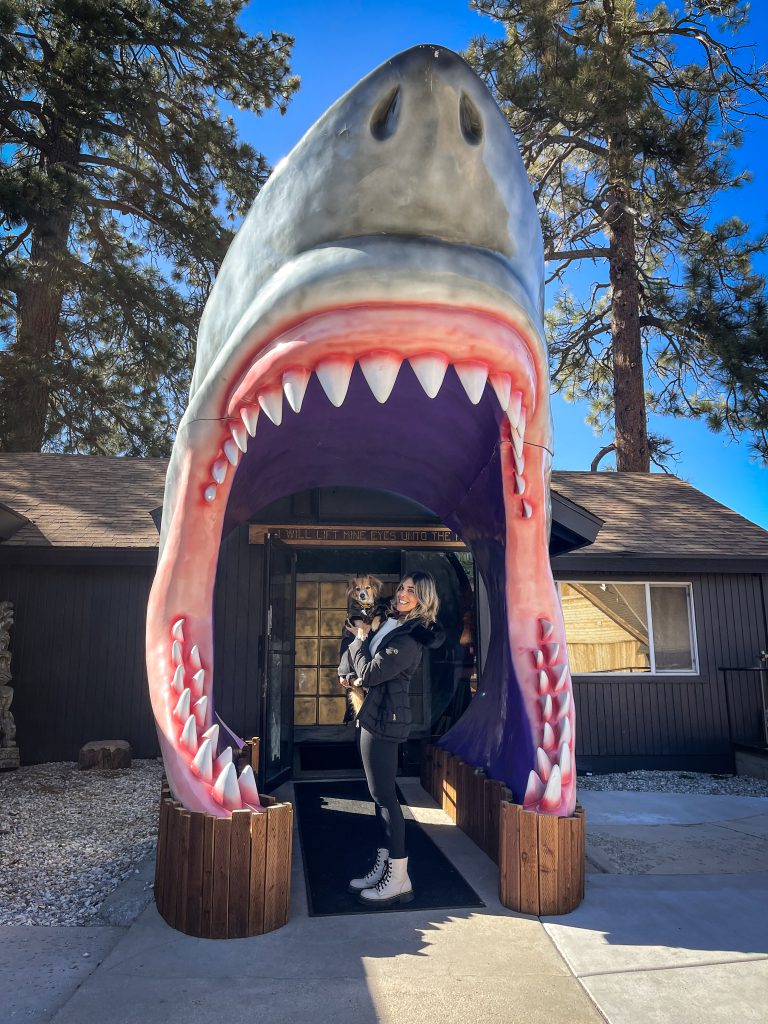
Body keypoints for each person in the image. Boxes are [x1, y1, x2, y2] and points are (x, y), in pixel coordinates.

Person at [338, 572, 444, 907]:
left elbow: (370, 672)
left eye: (412, 591)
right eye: (401, 588)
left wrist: (357, 642)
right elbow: (362, 657)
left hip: (386, 719)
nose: (402, 594)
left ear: (424, 598)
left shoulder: (412, 636)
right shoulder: (393, 623)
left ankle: (398, 879)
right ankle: (384, 865)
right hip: (374, 711)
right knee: (378, 795)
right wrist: (349, 665)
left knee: (385, 797)